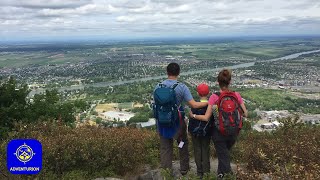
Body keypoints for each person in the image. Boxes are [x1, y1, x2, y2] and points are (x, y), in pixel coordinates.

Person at [190, 69, 248, 179]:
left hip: (219, 132)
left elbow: (206, 117)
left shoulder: (214, 97)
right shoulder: (236, 95)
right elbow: (246, 113)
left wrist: (193, 116)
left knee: (223, 155)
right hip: (233, 131)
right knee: (224, 154)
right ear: (230, 81)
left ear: (218, 82)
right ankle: (221, 174)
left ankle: (227, 176)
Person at [153, 62, 208, 175]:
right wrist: (209, 103)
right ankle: (184, 168)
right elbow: (194, 105)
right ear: (178, 73)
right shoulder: (181, 87)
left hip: (162, 123)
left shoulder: (158, 87)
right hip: (177, 123)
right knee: (182, 144)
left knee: (165, 147)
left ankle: (167, 172)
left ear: (167, 72)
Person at [188, 83, 212, 178]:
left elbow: (191, 119)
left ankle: (199, 172)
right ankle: (206, 172)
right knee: (205, 150)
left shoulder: (194, 105)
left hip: (195, 133)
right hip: (206, 132)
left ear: (198, 93)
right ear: (208, 93)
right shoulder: (211, 105)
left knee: (197, 150)